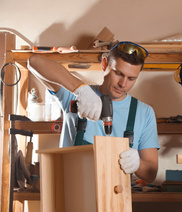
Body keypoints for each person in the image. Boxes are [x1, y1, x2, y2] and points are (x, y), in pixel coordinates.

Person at [27, 41, 159, 183]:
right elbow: (33, 62)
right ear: (104, 64)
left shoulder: (144, 113)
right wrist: (80, 89)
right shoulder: (75, 96)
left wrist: (137, 164)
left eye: (131, 79)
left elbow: (151, 174)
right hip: (73, 195)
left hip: (116, 199)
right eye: (118, 73)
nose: (123, 84)